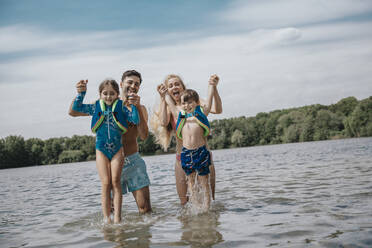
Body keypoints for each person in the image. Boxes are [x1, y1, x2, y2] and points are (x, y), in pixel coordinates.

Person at [69, 78, 135, 224]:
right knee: (106, 183)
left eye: (112, 93)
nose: (108, 96)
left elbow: (135, 120)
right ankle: (107, 219)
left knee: (116, 182)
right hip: (101, 149)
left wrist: (133, 106)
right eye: (105, 93)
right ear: (100, 95)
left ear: (118, 94)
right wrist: (81, 93)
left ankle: (117, 218)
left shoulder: (122, 107)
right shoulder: (95, 107)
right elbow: (76, 108)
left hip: (118, 149)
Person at [150, 74, 222, 206]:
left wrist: (213, 86)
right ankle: (191, 221)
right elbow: (163, 121)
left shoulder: (196, 104)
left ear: (183, 86)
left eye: (177, 84)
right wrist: (163, 96)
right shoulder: (173, 110)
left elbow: (217, 109)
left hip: (203, 153)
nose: (174, 87)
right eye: (170, 86)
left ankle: (208, 221)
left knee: (208, 195)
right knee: (185, 201)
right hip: (182, 157)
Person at [174, 88, 214, 210]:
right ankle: (196, 206)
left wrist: (211, 86)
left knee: (204, 181)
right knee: (190, 182)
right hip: (186, 152)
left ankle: (206, 207)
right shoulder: (182, 119)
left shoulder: (200, 115)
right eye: (184, 103)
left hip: (200, 151)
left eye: (190, 102)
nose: (187, 105)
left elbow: (208, 103)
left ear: (196, 103)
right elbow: (178, 133)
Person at [119, 70, 152, 214]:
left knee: (145, 209)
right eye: (130, 82)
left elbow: (144, 136)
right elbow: (73, 112)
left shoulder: (141, 108)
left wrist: (137, 107)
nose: (133, 86)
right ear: (121, 84)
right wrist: (80, 93)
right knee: (113, 211)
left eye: (136, 84)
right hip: (112, 163)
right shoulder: (109, 105)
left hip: (134, 161)